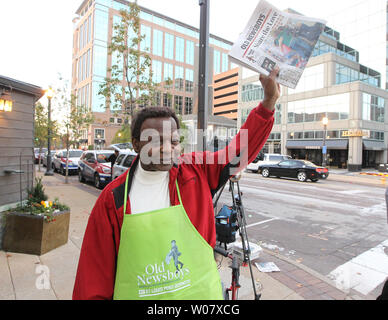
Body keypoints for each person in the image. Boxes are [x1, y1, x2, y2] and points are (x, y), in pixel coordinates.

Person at [72, 68, 281, 300]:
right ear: (136, 144)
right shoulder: (113, 199)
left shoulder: (196, 172)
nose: (167, 148)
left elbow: (238, 152)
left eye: (173, 140)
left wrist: (268, 102)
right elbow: (93, 281)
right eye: (156, 140)